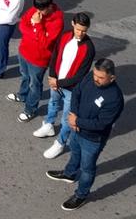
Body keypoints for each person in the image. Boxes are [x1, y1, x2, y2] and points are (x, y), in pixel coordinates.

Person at [47, 59, 125, 211]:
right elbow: (77, 92)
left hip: (93, 139)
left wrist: (77, 121)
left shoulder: (115, 98)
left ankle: (81, 195)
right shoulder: (91, 77)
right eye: (95, 74)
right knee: (75, 153)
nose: (96, 79)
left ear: (112, 78)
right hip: (76, 129)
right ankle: (69, 174)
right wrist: (73, 115)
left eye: (101, 77)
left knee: (87, 168)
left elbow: (101, 124)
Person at [34, 13, 97, 160]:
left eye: (84, 31)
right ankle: (48, 125)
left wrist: (58, 83)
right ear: (73, 24)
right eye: (78, 29)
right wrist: (52, 76)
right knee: (53, 103)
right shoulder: (65, 36)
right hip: (56, 81)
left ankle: (60, 143)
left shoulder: (89, 48)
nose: (80, 33)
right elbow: (55, 55)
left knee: (66, 119)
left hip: (71, 89)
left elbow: (81, 75)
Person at [10, 0, 65, 122]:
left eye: (41, 10)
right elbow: (22, 26)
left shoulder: (57, 21)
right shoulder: (35, 9)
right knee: (25, 76)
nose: (38, 12)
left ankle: (30, 109)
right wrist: (36, 32)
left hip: (38, 60)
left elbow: (45, 43)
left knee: (35, 84)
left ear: (50, 6)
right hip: (24, 51)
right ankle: (23, 95)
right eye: (37, 9)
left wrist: (37, 25)